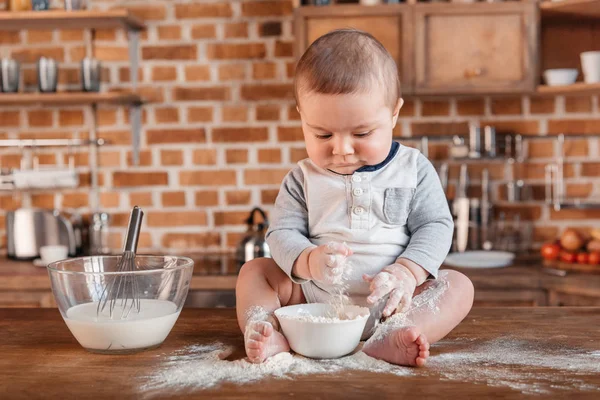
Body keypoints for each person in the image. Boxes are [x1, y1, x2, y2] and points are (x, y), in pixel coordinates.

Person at [235, 28, 474, 367]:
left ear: (393, 114)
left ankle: (394, 335)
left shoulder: (413, 169)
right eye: (322, 134)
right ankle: (270, 330)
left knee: (457, 285)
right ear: (302, 119)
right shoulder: (302, 178)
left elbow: (435, 225)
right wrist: (308, 261)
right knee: (255, 271)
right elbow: (281, 233)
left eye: (362, 133)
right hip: (314, 299)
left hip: (396, 300)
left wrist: (407, 273)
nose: (342, 149)